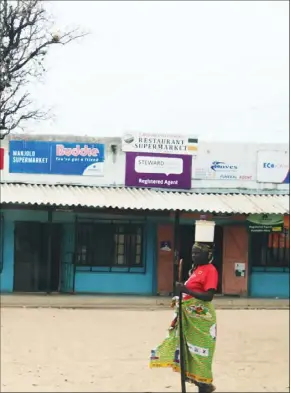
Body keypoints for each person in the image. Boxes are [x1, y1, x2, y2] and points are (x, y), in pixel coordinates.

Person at [149, 241, 218, 393]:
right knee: (190, 351)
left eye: (197, 253)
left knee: (202, 352)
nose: (194, 256)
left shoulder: (210, 270)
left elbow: (209, 296)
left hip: (202, 321)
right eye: (193, 253)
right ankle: (200, 384)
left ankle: (205, 385)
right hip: (190, 318)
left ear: (208, 255)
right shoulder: (196, 269)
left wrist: (186, 290)